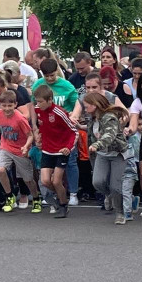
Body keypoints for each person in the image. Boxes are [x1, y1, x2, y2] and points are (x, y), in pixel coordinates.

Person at [33, 58, 81, 206]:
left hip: (64, 127)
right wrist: (35, 127)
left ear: (57, 72)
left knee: (71, 162)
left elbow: (77, 103)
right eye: (46, 76)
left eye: (52, 75)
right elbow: (33, 106)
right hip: (48, 130)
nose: (49, 79)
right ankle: (57, 195)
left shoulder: (66, 85)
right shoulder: (38, 85)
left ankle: (73, 193)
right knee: (48, 172)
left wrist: (74, 116)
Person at [0, 89, 36, 212]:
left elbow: (30, 135)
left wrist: (26, 146)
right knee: (0, 169)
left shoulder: (20, 118)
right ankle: (9, 196)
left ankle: (36, 198)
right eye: (4, 105)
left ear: (15, 104)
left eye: (10, 106)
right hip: (5, 147)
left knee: (28, 179)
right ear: (0, 104)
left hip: (20, 149)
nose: (7, 109)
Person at [85, 91, 129, 225]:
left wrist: (96, 145)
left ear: (95, 105)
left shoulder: (110, 117)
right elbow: (93, 133)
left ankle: (120, 213)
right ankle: (109, 195)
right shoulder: (93, 119)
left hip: (117, 154)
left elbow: (109, 135)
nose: (85, 109)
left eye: (87, 106)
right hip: (102, 155)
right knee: (97, 182)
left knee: (116, 186)